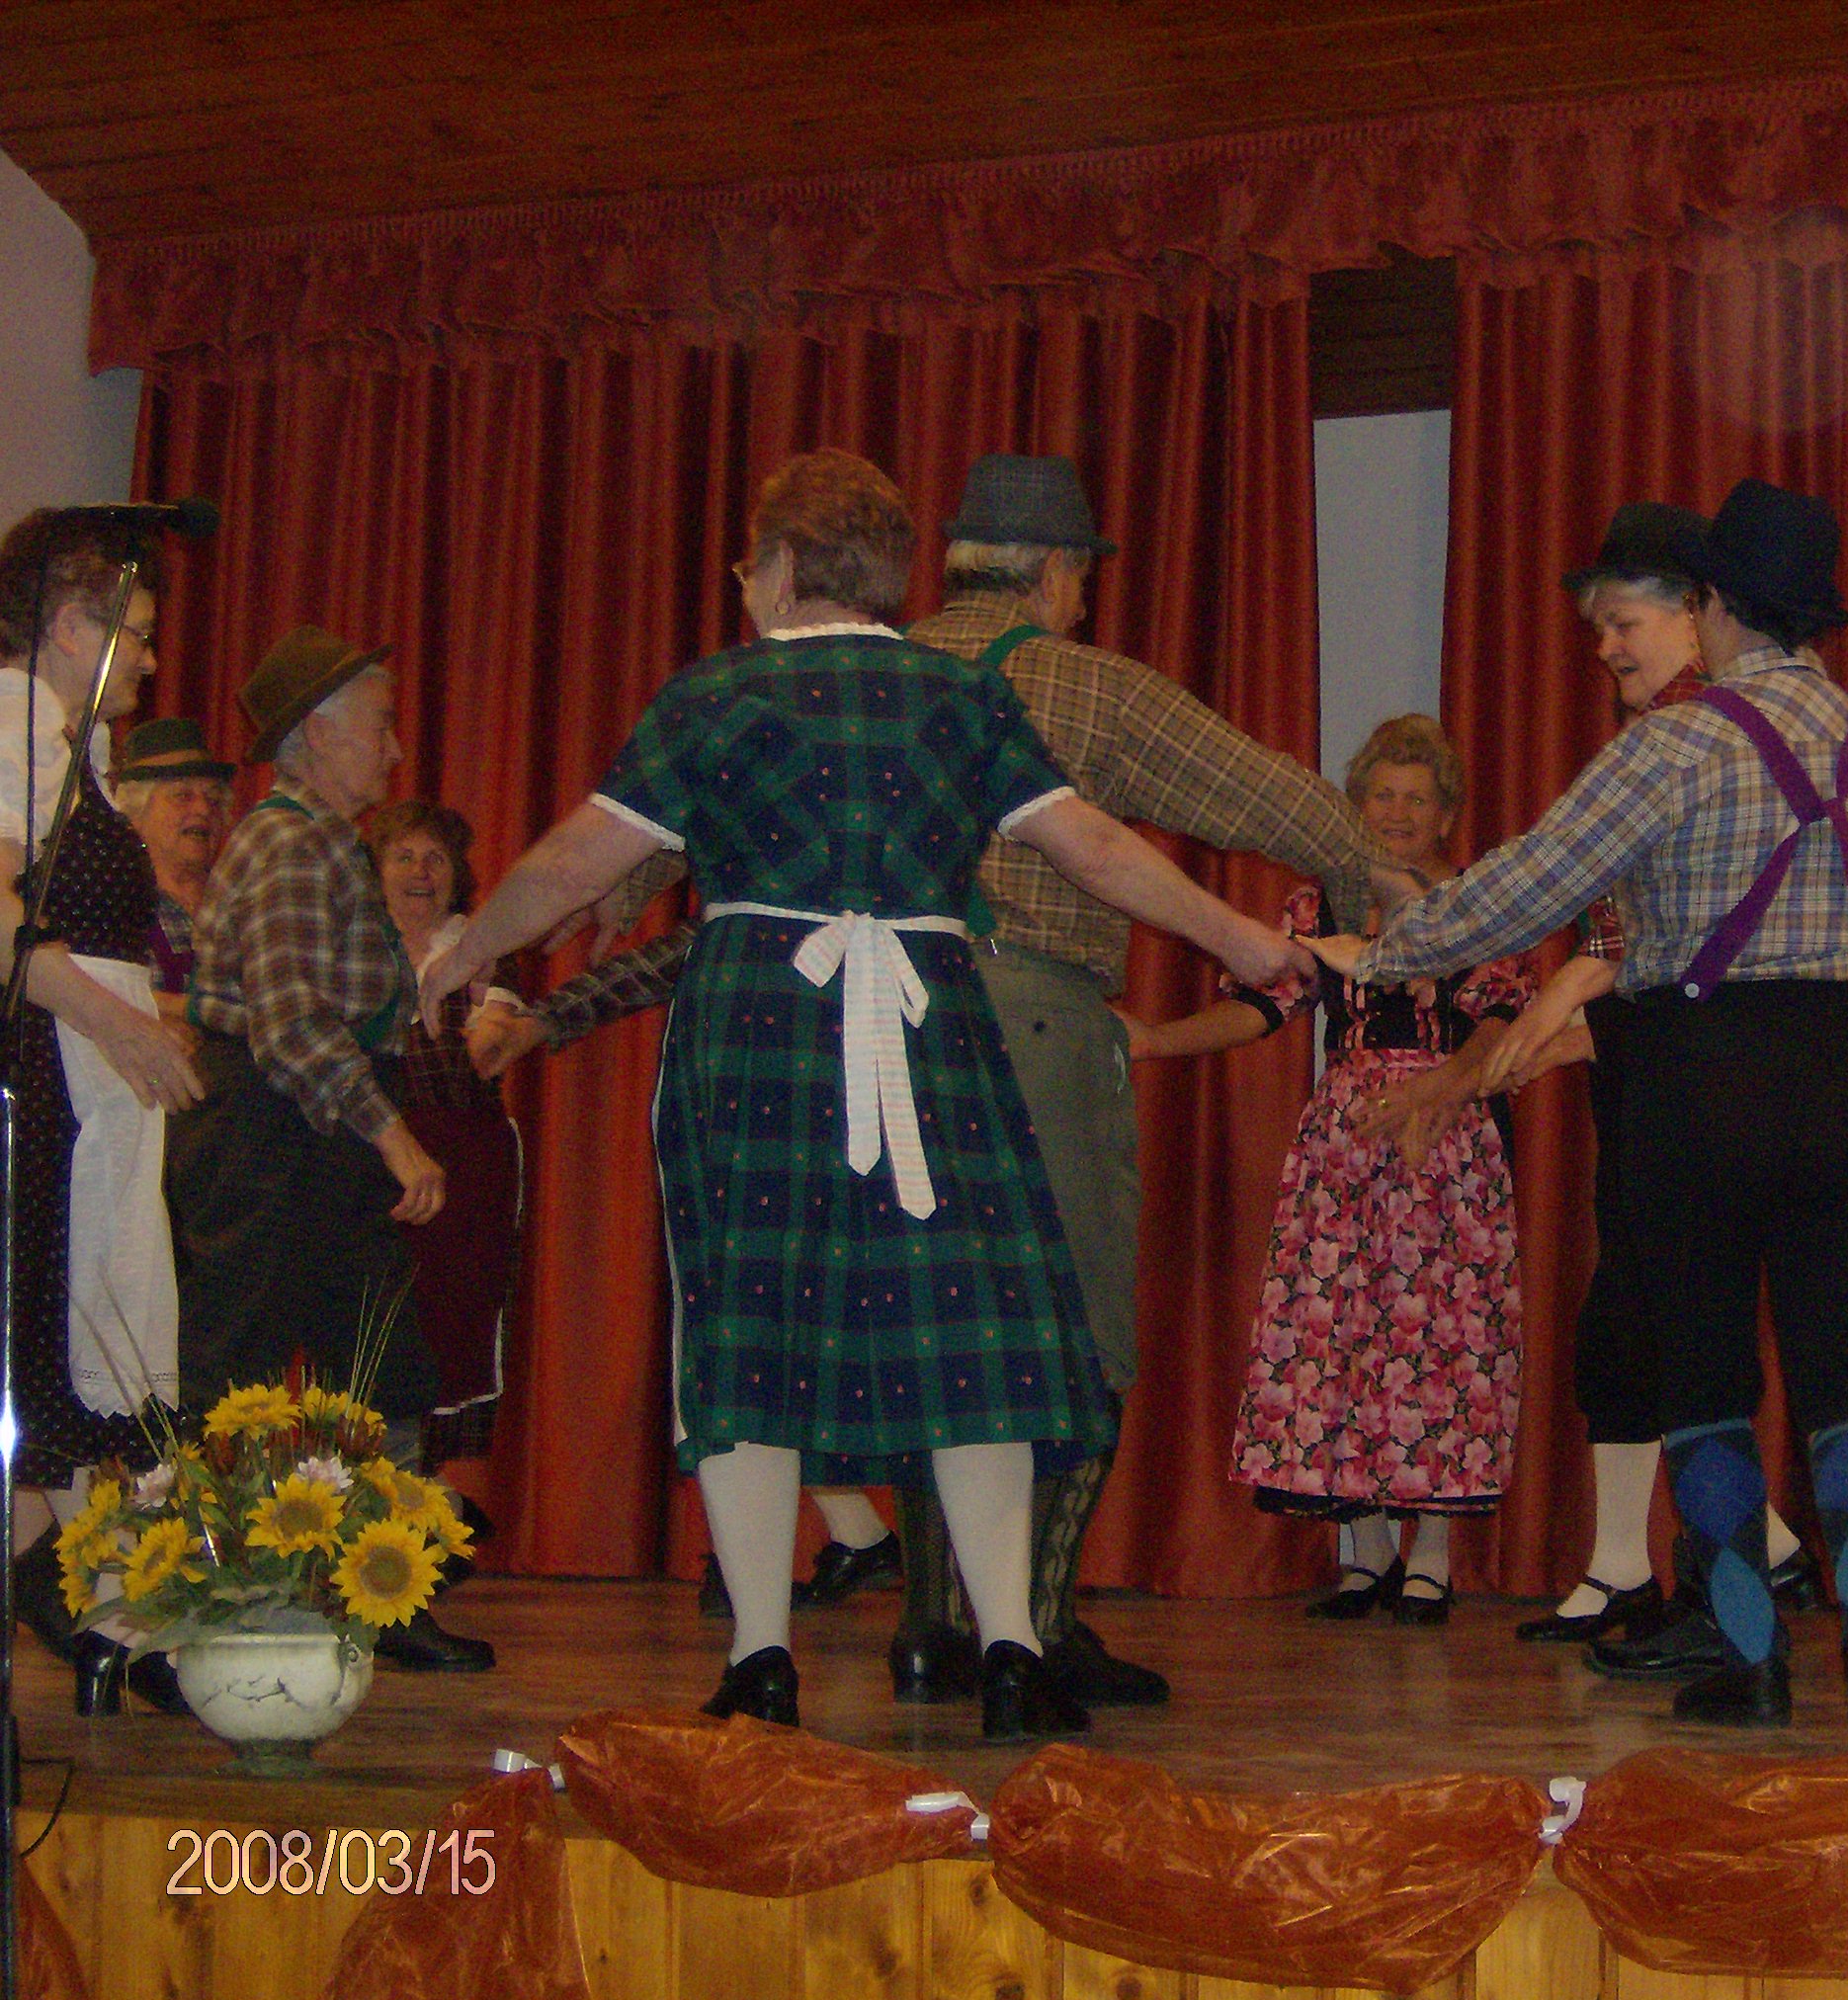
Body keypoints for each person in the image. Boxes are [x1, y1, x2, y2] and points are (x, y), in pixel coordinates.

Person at [421, 449, 1310, 1739]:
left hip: (759, 1030)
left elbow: (572, 862)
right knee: (971, 1327)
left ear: (783, 568)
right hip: (931, 1027)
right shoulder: (960, 695)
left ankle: (761, 1659)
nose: (745, 584)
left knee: (747, 1322)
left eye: (749, 565)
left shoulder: (713, 695)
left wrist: (470, 951)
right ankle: (1010, 1651)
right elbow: (1094, 847)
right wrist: (1237, 937)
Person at [1306, 479, 1848, 1745]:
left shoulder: (1677, 742)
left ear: (1714, 606)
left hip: (1707, 1067)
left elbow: (1530, 883)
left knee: (1704, 1373)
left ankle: (1752, 1662)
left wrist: (1384, 950)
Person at [882, 453, 1403, 1709]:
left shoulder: (874, 671)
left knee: (931, 1325)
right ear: (1055, 574)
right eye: (1080, 579)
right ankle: (1037, 1626)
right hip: (1029, 1022)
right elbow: (1253, 790)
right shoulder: (1078, 683)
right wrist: (1362, 880)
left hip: (881, 1029)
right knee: (1071, 1330)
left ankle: (930, 1624)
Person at [1480, 502, 1815, 1654]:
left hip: (1694, 1047)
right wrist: (1561, 1012)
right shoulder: (1672, 731)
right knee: (1634, 1313)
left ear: (1694, 612)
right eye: (1598, 627)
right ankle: (1661, 1558)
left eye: (1623, 621)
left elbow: (1650, 930)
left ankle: (1737, 1561)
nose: (1605, 646)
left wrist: (1551, 1002)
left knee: (1668, 1310)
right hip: (1649, 1044)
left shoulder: (1698, 735)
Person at [1126, 714, 1531, 1624]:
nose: (1397, 813)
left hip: (1444, 1140)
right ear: (1355, 808)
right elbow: (1264, 1004)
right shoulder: (1323, 906)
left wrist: (1442, 1090)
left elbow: (1504, 1017)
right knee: (1339, 1333)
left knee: (1442, 1339)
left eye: (1416, 799)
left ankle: (1433, 1557)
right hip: (1341, 1145)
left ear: (1446, 814)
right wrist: (1154, 1039)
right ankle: (1368, 1553)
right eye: (1381, 796)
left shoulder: (1479, 902)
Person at [168, 625, 497, 1673]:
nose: (395, 749)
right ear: (316, 733)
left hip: (299, 1125)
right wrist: (396, 1140)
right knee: (244, 1369)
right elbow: (293, 1024)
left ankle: (380, 1592)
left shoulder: (319, 843)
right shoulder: (290, 845)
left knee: (376, 1360)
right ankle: (222, 1604)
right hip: (268, 1126)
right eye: (380, 726)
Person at [464, 917, 911, 1612]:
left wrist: (546, 1016)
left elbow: (670, 951)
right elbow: (666, 956)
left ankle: (789, 1558)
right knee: (762, 1341)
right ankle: (838, 1538)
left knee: (758, 1340)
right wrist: (548, 1015)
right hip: (766, 1126)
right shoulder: (755, 913)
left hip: (798, 1130)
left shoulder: (790, 911)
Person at [0, 508, 201, 1714]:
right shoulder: (16, 717)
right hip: (58, 1072)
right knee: (81, 1327)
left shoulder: (69, 741)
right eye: (140, 632)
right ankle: (106, 1613)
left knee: (93, 1325)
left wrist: (145, 1015)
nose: (154, 660)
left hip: (90, 1074)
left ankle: (100, 1610)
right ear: (74, 624)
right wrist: (117, 1024)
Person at [370, 800, 526, 1478]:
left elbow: (484, 1053)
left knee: (449, 1322)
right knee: (371, 1319)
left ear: (457, 874)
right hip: (370, 1159)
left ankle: (426, 1494)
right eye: (403, 856)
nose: (420, 872)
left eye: (435, 858)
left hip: (465, 1167)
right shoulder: (353, 948)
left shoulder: (482, 952)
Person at [109, 715, 234, 1010]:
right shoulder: (115, 904)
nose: (203, 809)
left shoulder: (240, 902)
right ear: (135, 812)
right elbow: (103, 1000)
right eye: (182, 796)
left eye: (214, 799)